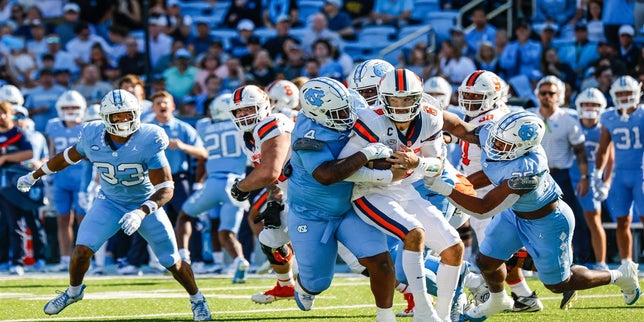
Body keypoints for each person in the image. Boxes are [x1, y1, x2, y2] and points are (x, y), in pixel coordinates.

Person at [425, 111, 641, 321]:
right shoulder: (500, 137)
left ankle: (621, 275)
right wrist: (429, 109)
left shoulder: (527, 170)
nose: (494, 146)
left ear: (522, 147)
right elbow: (461, 128)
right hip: (514, 213)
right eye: (496, 140)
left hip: (547, 221)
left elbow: (484, 208)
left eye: (502, 145)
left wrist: (448, 189)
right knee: (486, 261)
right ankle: (498, 300)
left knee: (559, 284)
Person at [16, 89, 211, 321]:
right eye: (117, 116)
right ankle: (73, 292)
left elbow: (166, 188)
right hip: (109, 201)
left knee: (172, 262)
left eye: (127, 114)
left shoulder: (149, 138)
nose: (123, 120)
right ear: (106, 118)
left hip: (144, 202)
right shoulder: (92, 134)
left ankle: (197, 299)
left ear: (136, 114)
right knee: (80, 251)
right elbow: (66, 157)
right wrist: (34, 175)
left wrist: (141, 212)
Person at [339, 68, 478, 322]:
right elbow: (343, 168)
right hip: (371, 191)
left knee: (454, 247)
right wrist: (379, 171)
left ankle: (444, 316)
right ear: (384, 98)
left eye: (406, 99)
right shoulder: (371, 120)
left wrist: (417, 163)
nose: (400, 105)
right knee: (414, 233)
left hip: (408, 189)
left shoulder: (430, 116)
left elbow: (436, 165)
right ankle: (423, 311)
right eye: (394, 99)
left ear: (419, 97)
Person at [288, 77, 397, 320]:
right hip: (311, 214)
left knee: (381, 261)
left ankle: (385, 316)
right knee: (318, 282)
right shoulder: (307, 134)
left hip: (351, 207)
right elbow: (326, 175)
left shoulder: (353, 101)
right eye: (338, 113)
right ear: (316, 113)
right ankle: (305, 287)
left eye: (346, 108)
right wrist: (365, 154)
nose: (346, 115)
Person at [457, 70, 547, 312]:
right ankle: (524, 296)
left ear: (493, 97)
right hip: (477, 188)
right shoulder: (485, 116)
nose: (469, 101)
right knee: (498, 252)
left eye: (477, 96)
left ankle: (564, 273)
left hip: (489, 191)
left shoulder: (494, 123)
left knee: (496, 253)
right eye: (467, 95)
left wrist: (461, 184)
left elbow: (493, 169)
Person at [227, 85, 296, 298]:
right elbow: (266, 171)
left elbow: (269, 171)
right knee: (270, 238)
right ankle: (285, 285)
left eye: (248, 109)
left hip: (312, 194)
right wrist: (274, 201)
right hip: (292, 195)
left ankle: (402, 289)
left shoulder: (272, 123)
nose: (243, 115)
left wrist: (240, 188)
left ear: (264, 106)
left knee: (356, 259)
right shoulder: (247, 135)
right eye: (239, 111)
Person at [174, 93, 249, 275]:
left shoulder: (204, 125)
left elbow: (202, 157)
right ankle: (240, 259)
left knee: (184, 216)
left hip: (214, 182)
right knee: (227, 232)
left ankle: (184, 257)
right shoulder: (241, 126)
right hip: (238, 184)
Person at [527, 76, 592, 265]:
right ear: (537, 95)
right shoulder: (529, 117)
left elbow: (580, 151)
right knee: (530, 217)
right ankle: (533, 259)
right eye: (543, 93)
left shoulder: (568, 120)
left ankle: (583, 258)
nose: (547, 96)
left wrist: (584, 176)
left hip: (561, 175)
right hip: (535, 175)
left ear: (559, 96)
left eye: (551, 93)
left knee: (572, 217)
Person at [594, 75, 644, 264]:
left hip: (641, 172)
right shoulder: (608, 116)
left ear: (637, 93)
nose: (624, 96)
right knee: (622, 221)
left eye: (628, 93)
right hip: (619, 175)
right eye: (620, 93)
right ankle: (626, 263)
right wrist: (597, 174)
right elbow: (604, 148)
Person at [45, 90, 88, 272]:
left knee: (83, 220)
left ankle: (86, 260)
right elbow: (51, 151)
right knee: (63, 219)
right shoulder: (53, 125)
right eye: (67, 107)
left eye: (74, 107)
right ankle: (65, 259)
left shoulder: (87, 127)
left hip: (81, 179)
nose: (70, 110)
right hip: (61, 179)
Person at [573, 88, 612, 270]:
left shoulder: (603, 129)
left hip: (592, 180)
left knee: (594, 221)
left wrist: (606, 182)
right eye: (586, 104)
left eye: (594, 104)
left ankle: (601, 262)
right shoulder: (573, 124)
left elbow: (611, 158)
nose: (590, 107)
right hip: (570, 176)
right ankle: (569, 261)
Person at [0, 101, 35, 276]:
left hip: (12, 183)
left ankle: (17, 261)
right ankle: (3, 259)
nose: (1, 116)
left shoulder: (19, 134)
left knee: (15, 223)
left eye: (3, 112)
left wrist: (6, 158)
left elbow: (29, 153)